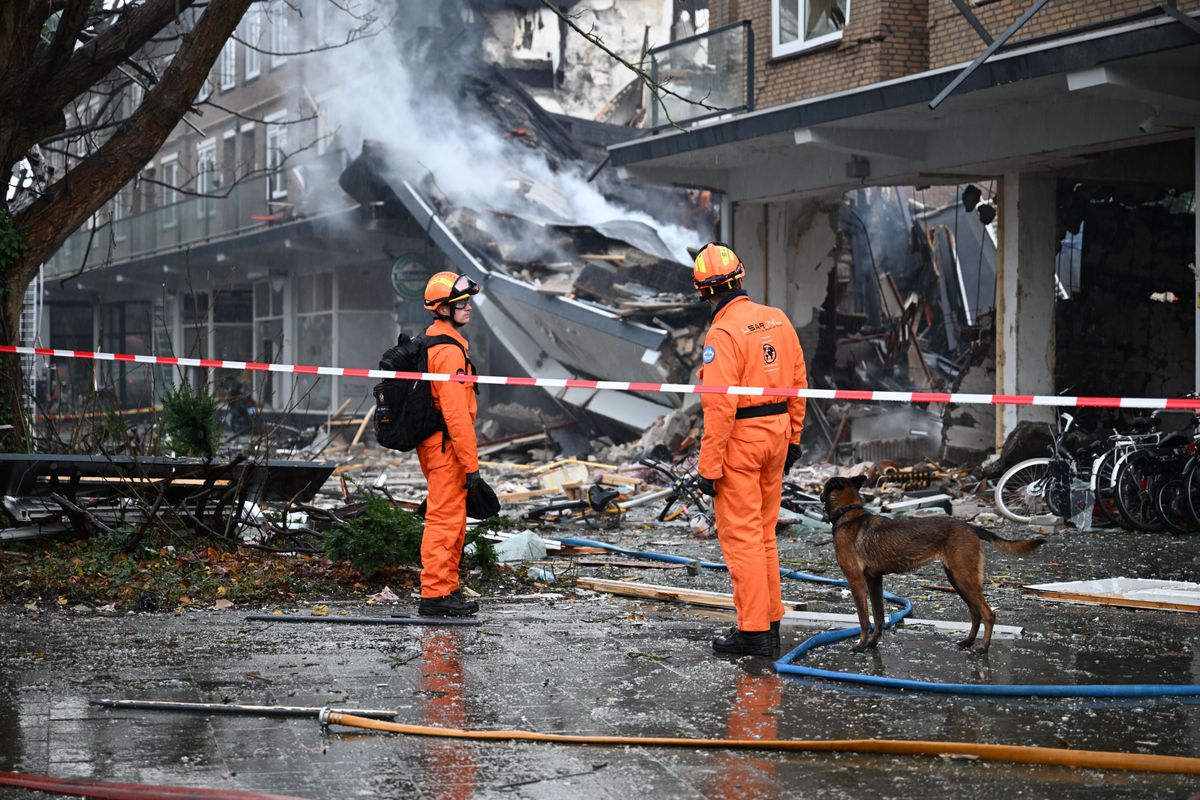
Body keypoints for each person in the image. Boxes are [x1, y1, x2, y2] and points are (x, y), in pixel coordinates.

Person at [692, 242, 807, 656]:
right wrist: (794, 436)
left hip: (741, 440)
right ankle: (771, 623)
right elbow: (798, 381)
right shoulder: (776, 319)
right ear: (740, 279)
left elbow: (719, 406)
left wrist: (708, 468)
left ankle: (755, 631)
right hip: (776, 436)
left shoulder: (721, 333)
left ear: (704, 292)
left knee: (742, 539)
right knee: (764, 535)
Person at [416, 271, 482, 617]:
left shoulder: (440, 342)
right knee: (444, 520)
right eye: (461, 304)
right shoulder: (448, 352)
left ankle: (446, 590)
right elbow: (457, 413)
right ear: (443, 308)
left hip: (439, 445)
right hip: (446, 448)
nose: (468, 308)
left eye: (468, 301)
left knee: (452, 517)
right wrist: (471, 464)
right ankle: (436, 596)